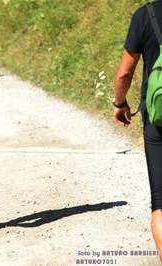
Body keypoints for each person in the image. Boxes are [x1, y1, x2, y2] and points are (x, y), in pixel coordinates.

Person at [114, 1, 162, 261]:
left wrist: (119, 103)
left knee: (161, 200)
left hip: (158, 118)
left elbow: (124, 72)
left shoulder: (146, 15)